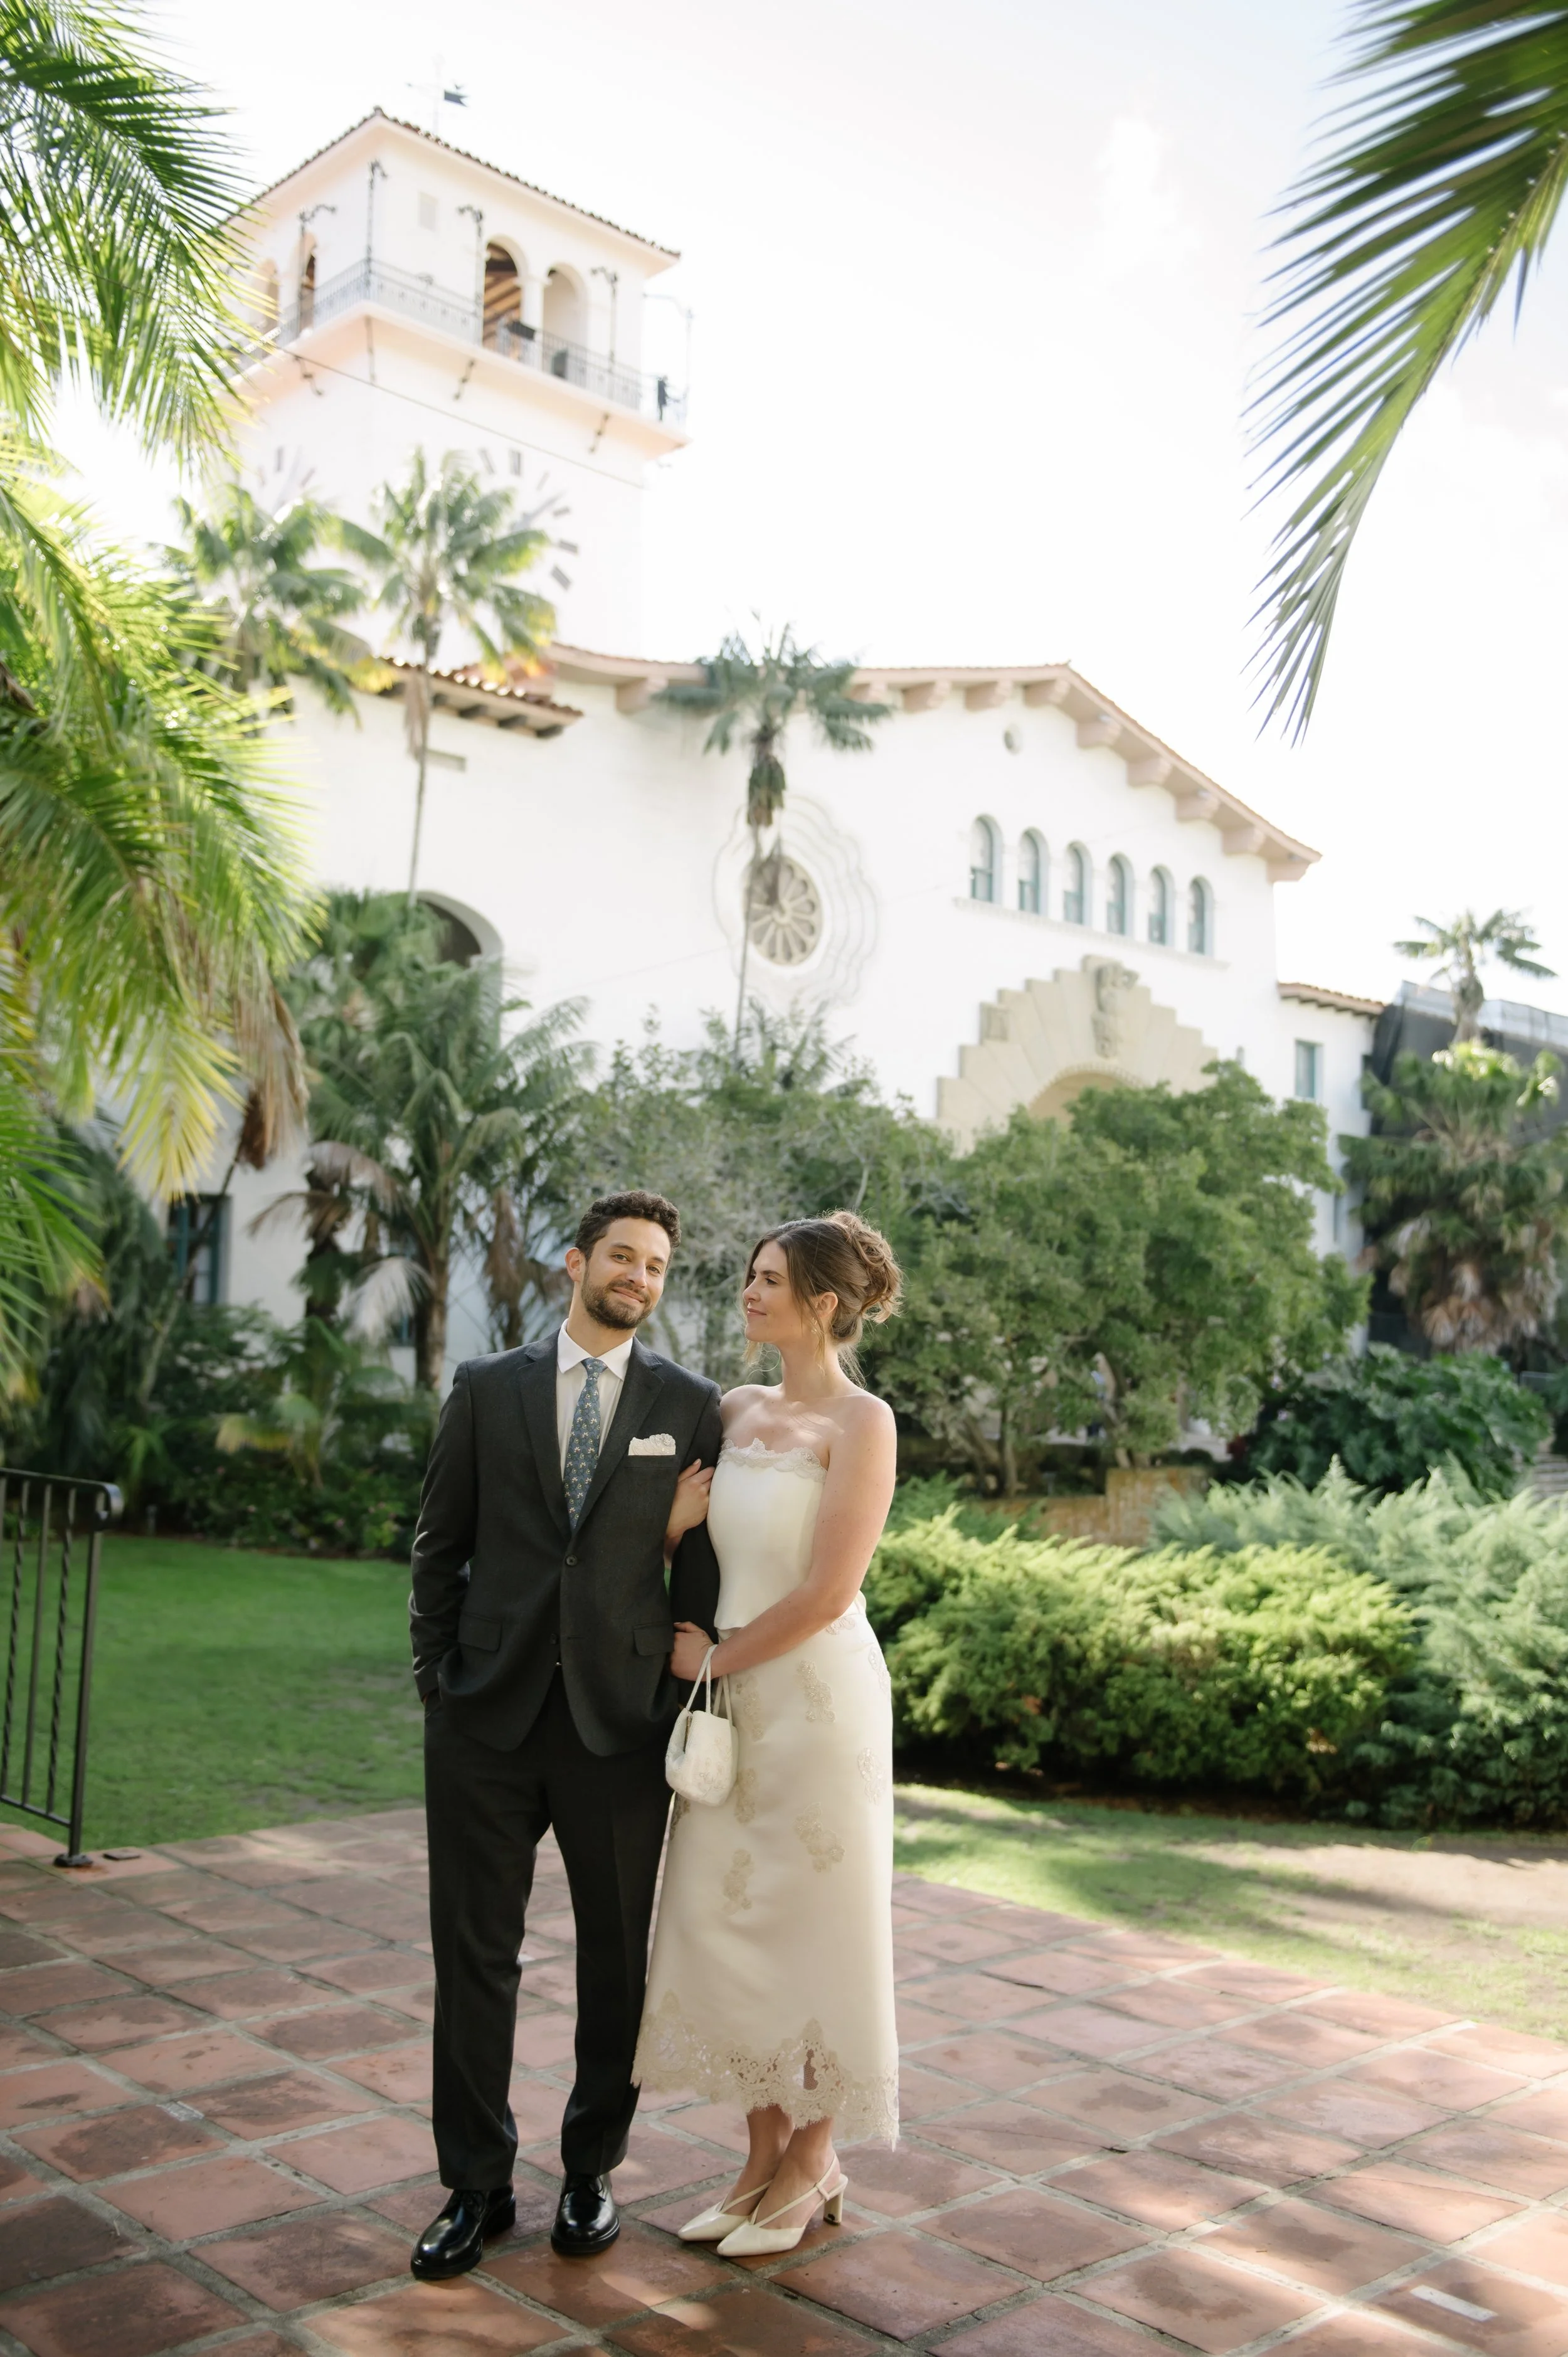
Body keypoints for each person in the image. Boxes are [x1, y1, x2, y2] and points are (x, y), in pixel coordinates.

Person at [407, 1190, 722, 2279]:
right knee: (474, 1956)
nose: (639, 1275)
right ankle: (475, 2183)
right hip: (486, 1721)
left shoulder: (690, 1402)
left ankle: (590, 2171)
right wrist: (435, 1690)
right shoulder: (487, 1388)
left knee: (614, 1962)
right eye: (623, 1256)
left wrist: (678, 1692)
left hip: (619, 1728)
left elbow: (700, 1573)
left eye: (658, 1264)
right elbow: (437, 1546)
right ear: (578, 1263)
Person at [633, 1210, 902, 2255]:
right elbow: (687, 1547)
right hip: (729, 1701)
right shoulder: (734, 1409)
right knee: (716, 1919)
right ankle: (758, 2155)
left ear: (824, 1304)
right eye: (750, 1275)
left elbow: (832, 1591)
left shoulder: (863, 1421)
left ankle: (814, 2157)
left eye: (769, 1279)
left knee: (822, 1922)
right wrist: (668, 1532)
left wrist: (713, 1661)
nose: (748, 1292)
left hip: (817, 1700)